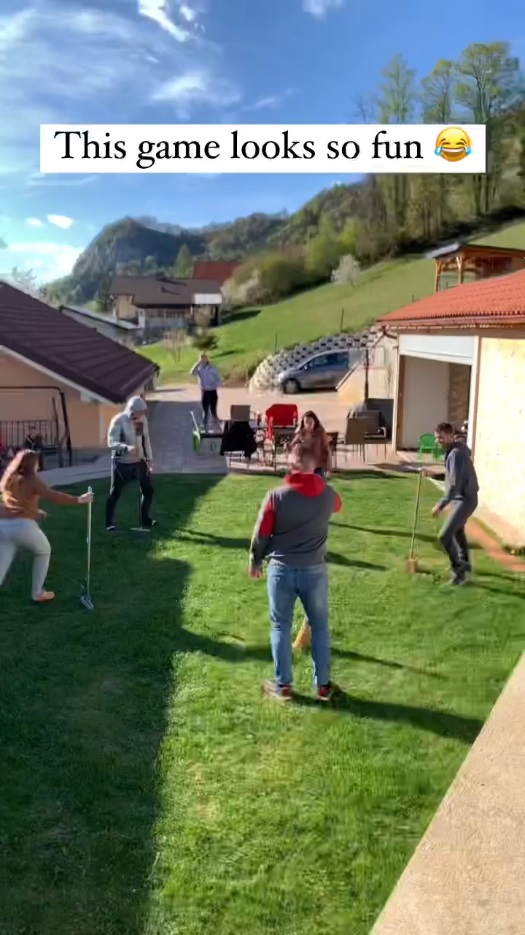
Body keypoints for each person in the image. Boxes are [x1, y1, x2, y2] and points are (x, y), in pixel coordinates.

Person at [249, 440, 342, 702]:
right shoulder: (328, 494)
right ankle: (323, 686)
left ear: (290, 464)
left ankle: (283, 686)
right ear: (314, 466)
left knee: (280, 626)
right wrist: (321, 483)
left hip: (281, 570)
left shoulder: (276, 496)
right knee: (320, 627)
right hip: (315, 570)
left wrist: (255, 560)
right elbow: (337, 506)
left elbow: (262, 533)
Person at [0, 449, 93, 603]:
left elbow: (16, 503)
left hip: (3, 526)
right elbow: (53, 496)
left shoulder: (9, 478)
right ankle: (38, 593)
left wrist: (34, 512)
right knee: (43, 550)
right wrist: (79, 500)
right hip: (23, 527)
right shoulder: (32, 480)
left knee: (3, 560)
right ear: (32, 464)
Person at [431, 422, 479, 585]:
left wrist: (440, 505)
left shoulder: (456, 454)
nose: (438, 441)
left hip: (465, 499)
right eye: (436, 438)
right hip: (462, 498)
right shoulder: (455, 450)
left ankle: (458, 572)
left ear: (451, 436)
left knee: (445, 536)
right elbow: (452, 476)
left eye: (441, 438)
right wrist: (432, 474)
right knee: (458, 532)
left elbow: (454, 485)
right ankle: (465, 564)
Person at [105, 396, 155, 532]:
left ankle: (145, 519)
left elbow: (146, 440)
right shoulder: (118, 420)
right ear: (132, 411)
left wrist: (149, 460)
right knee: (116, 492)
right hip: (122, 462)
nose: (142, 415)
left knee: (148, 490)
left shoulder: (142, 420)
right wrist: (126, 448)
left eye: (143, 412)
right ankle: (109, 523)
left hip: (139, 460)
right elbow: (111, 443)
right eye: (140, 412)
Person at [291, 410, 330, 478]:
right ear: (303, 423)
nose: (308, 425)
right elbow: (292, 446)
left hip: (317, 466)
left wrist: (327, 468)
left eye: (310, 422)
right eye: (306, 422)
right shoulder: (301, 433)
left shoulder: (320, 433)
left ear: (315, 422)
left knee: (318, 484)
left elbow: (325, 450)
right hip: (303, 466)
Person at [190, 353, 221, 431]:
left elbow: (218, 379)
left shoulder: (212, 368)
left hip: (213, 391)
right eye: (202, 359)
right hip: (204, 392)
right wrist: (198, 363)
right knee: (205, 411)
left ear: (207, 359)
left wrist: (216, 384)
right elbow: (192, 373)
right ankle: (205, 427)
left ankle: (217, 427)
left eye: (204, 359)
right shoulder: (199, 369)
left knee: (213, 410)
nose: (203, 361)